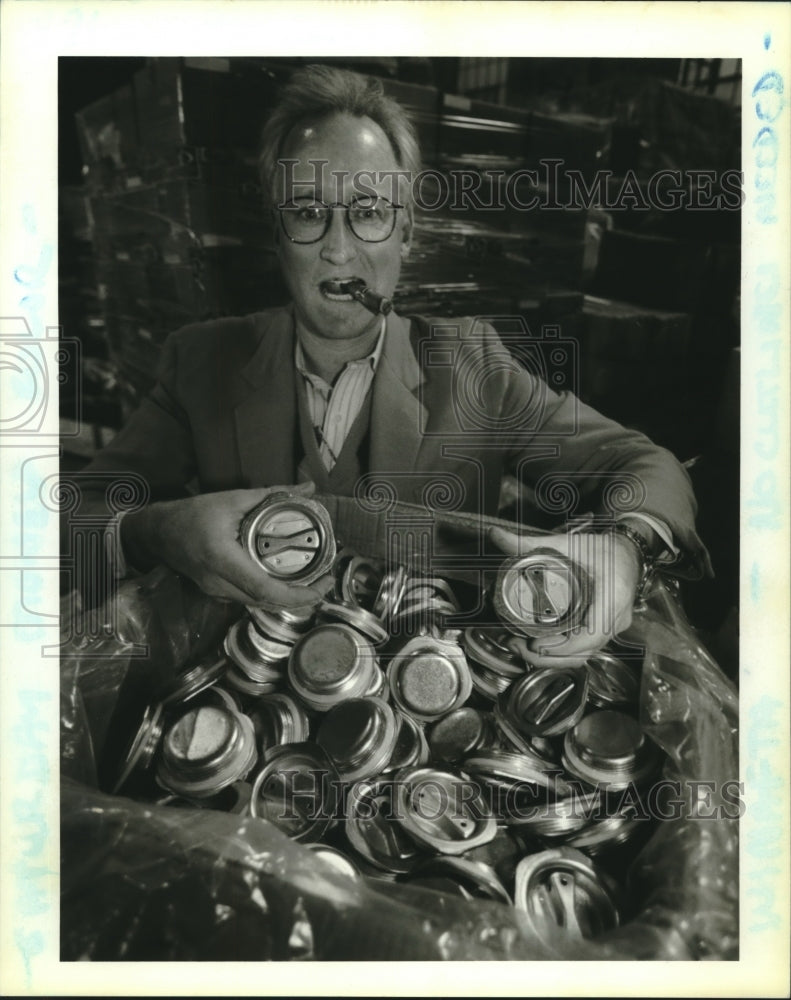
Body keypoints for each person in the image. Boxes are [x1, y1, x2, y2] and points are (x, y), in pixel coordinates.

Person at [78, 64, 710, 666]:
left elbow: (645, 465)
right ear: (275, 232)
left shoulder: (473, 366)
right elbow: (73, 516)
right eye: (306, 212)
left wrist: (626, 546)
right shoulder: (201, 360)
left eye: (370, 212)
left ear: (406, 232)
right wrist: (156, 530)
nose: (337, 245)